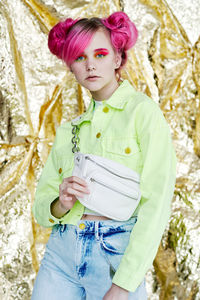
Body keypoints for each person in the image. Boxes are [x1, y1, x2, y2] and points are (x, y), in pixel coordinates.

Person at [31, 11, 177, 300]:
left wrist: (124, 284)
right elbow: (41, 212)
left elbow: (157, 204)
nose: (90, 66)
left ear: (118, 58)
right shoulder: (68, 131)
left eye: (99, 54)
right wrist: (60, 203)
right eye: (80, 57)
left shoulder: (143, 113)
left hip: (115, 255)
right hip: (62, 253)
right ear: (71, 66)